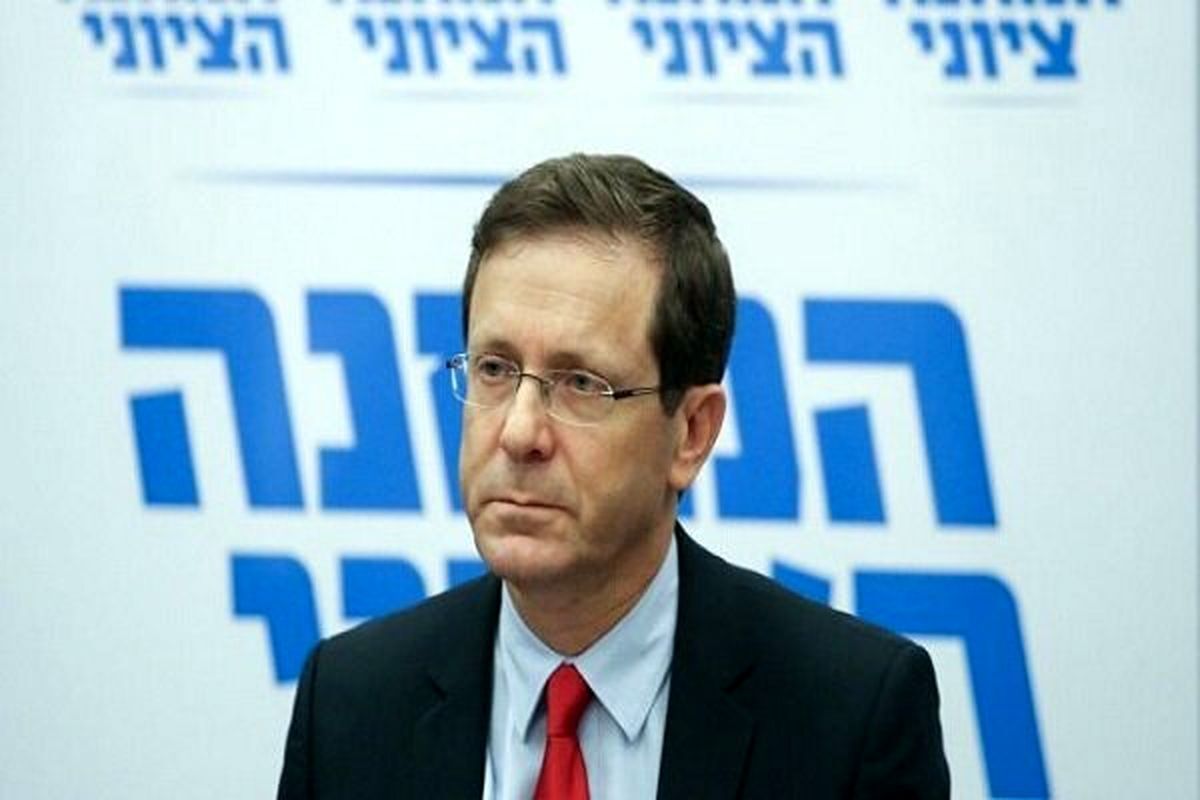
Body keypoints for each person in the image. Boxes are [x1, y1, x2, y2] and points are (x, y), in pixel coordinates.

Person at [277, 154, 950, 799]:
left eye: (580, 383)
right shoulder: (350, 703)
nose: (518, 433)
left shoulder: (850, 717)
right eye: (495, 369)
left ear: (691, 432)